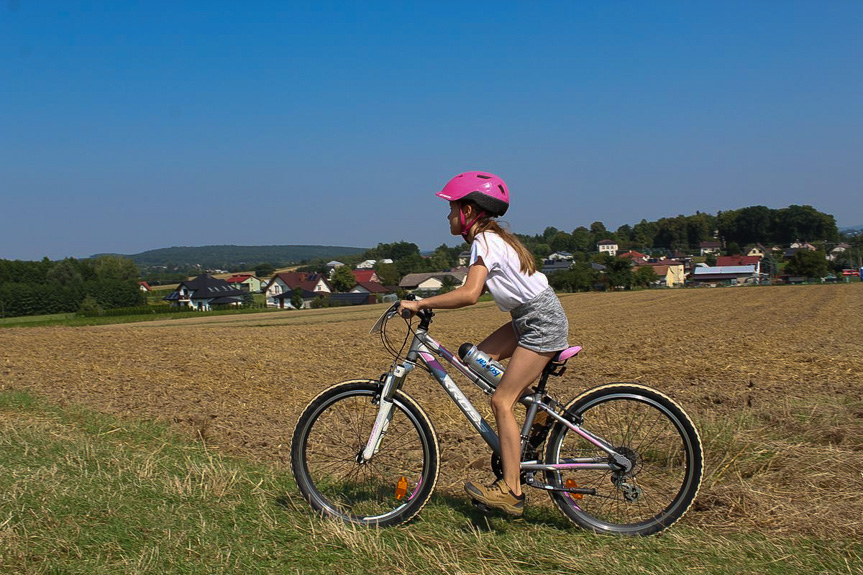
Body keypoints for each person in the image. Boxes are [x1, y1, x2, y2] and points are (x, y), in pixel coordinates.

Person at [399, 171, 569, 517]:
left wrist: (421, 304)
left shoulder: (485, 242)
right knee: (477, 360)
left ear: (469, 211)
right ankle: (540, 410)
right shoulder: (492, 238)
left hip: (539, 322)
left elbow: (469, 294)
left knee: (500, 401)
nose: (447, 216)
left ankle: (512, 491)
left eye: (451, 208)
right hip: (528, 317)